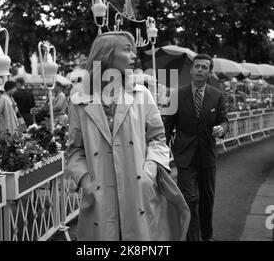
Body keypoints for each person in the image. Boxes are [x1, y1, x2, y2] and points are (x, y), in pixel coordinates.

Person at [65, 31, 190, 241]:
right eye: (127, 49)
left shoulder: (142, 94)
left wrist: (149, 172)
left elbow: (158, 138)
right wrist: (86, 181)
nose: (134, 56)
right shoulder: (79, 101)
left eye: (133, 50)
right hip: (100, 195)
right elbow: (74, 150)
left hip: (138, 192)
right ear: (106, 55)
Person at [164, 54, 229, 241]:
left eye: (204, 67)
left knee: (207, 199)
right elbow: (168, 126)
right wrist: (161, 154)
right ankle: (192, 237)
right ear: (191, 70)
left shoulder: (217, 96)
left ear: (209, 72)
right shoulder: (177, 95)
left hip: (207, 156)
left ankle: (207, 236)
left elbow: (225, 121)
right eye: (197, 66)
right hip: (184, 156)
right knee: (189, 199)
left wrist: (221, 129)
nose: (200, 70)